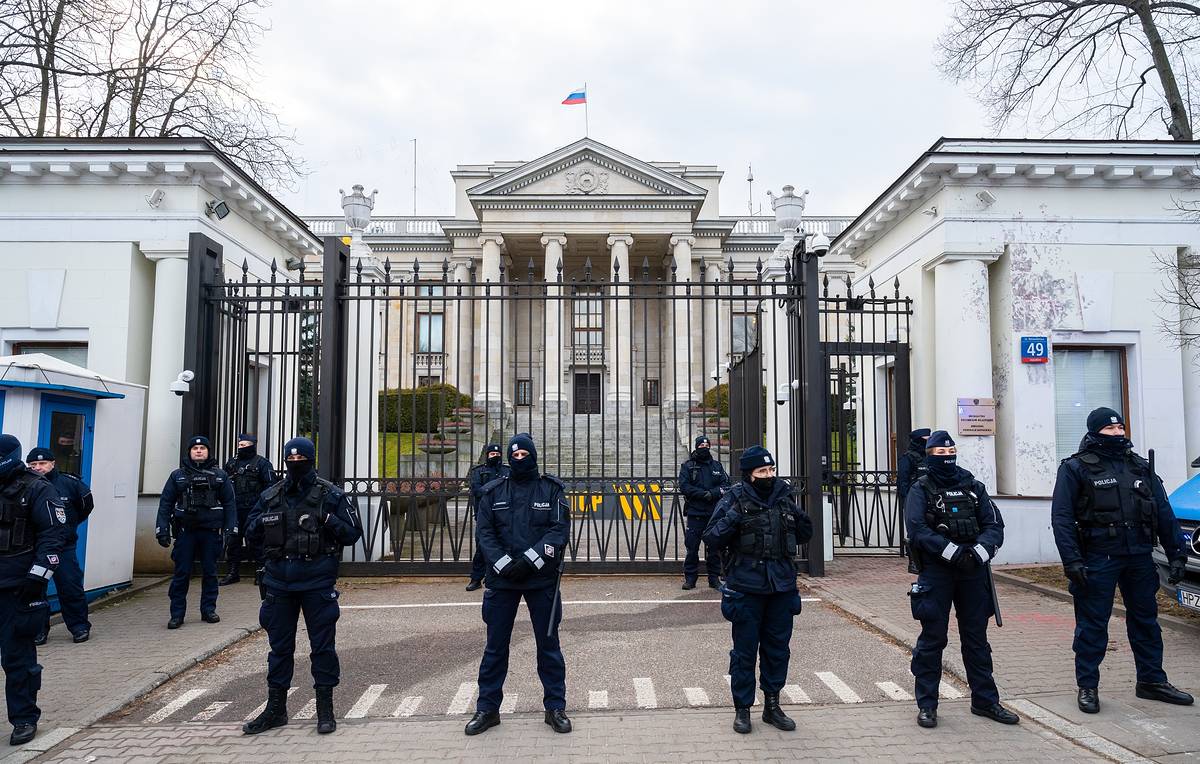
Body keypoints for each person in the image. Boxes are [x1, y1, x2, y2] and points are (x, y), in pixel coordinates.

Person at [1050, 407, 1194, 714]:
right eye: (1110, 430)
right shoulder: (1076, 468)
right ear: (1094, 432)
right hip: (1098, 557)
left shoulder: (1139, 465)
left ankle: (1151, 681)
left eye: (1120, 429)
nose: (1118, 434)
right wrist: (1072, 561)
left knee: (1146, 622)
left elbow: (1163, 513)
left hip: (1139, 556)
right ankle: (1087, 686)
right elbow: (1062, 518)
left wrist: (1177, 553)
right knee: (1092, 626)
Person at [242, 437, 362, 736]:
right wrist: (267, 523)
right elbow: (250, 533)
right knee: (279, 649)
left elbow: (352, 534)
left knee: (322, 648)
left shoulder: (329, 494)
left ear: (310, 461)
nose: (296, 465)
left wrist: (326, 519)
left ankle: (325, 709)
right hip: (279, 583)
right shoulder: (271, 495)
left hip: (317, 582)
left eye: (301, 461)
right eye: (291, 461)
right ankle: (276, 710)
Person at [905, 430, 1018, 729]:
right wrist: (952, 552)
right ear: (930, 455)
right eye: (940, 454)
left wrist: (978, 553)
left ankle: (985, 701)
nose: (947, 458)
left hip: (973, 571)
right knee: (933, 640)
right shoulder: (921, 489)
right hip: (937, 572)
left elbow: (994, 525)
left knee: (977, 640)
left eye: (951, 452)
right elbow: (917, 529)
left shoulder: (974, 486)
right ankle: (927, 705)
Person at [465, 433, 571, 737]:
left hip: (541, 579)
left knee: (548, 647)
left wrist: (530, 560)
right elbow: (485, 534)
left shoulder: (551, 490)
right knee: (495, 648)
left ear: (534, 456)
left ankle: (555, 707)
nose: (519, 460)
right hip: (503, 581)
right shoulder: (493, 491)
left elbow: (558, 531)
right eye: (516, 455)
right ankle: (488, 709)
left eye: (525, 455)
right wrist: (503, 564)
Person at [704, 445, 813, 735]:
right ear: (749, 474)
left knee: (777, 651)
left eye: (771, 470)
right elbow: (712, 538)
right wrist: (733, 518)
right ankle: (742, 709)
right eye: (762, 471)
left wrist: (800, 515)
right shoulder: (734, 498)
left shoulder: (783, 496)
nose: (769, 475)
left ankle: (772, 706)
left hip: (781, 585)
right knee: (744, 652)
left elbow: (805, 534)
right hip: (746, 586)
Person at [0, 434, 68, 746]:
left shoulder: (37, 488)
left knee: (17, 660)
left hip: (18, 588)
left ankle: (24, 719)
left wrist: (38, 577)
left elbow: (54, 536)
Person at [155, 435, 237, 629]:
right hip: (186, 532)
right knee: (181, 574)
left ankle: (208, 610)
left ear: (208, 452)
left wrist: (231, 529)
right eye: (195, 448)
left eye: (202, 448)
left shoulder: (220, 476)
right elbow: (165, 503)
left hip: (210, 532)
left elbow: (230, 504)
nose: (199, 451)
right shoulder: (177, 476)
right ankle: (177, 614)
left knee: (210, 572)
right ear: (189, 452)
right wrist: (162, 529)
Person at [25, 448, 93, 645]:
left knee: (70, 587)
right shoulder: (24, 484)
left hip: (63, 547)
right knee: (35, 590)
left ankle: (79, 627)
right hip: (33, 548)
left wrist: (67, 527)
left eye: (43, 464)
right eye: (33, 465)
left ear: (53, 464)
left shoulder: (70, 484)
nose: (38, 468)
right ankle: (39, 631)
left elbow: (85, 506)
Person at [220, 434, 276, 585]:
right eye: (240, 445)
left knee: (256, 540)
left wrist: (263, 506)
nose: (242, 447)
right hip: (235, 509)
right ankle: (232, 572)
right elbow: (223, 485)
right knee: (233, 541)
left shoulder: (262, 463)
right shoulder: (232, 464)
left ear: (253, 445)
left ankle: (260, 572)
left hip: (254, 509)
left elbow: (271, 486)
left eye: (245, 445)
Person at [678, 435, 731, 590]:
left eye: (707, 446)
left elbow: (726, 485)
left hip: (714, 514)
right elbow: (684, 487)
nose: (705, 448)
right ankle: (690, 578)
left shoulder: (716, 466)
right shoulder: (688, 466)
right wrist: (703, 494)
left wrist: (713, 494)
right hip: (695, 514)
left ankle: (713, 578)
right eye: (701, 446)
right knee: (692, 548)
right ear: (696, 447)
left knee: (714, 549)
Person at [466, 444, 508, 592]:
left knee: (505, 545)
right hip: (484, 515)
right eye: (492, 454)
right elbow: (477, 490)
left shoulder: (507, 470)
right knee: (482, 546)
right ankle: (476, 578)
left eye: (497, 454)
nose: (495, 456)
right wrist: (497, 486)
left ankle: (500, 575)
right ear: (487, 455)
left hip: (504, 515)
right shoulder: (479, 471)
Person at [896, 428, 930, 508]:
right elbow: (903, 481)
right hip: (915, 498)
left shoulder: (931, 456)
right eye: (926, 439)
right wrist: (908, 499)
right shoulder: (908, 458)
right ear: (918, 441)